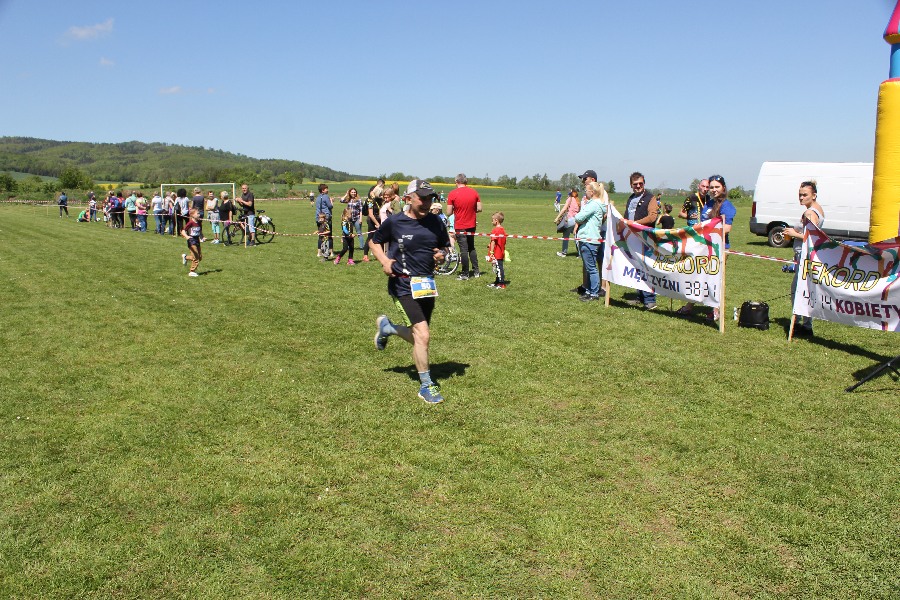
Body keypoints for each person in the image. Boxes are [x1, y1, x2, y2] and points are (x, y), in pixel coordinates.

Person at [371, 179, 450, 404]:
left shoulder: (436, 221)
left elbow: (444, 247)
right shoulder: (395, 222)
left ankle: (388, 328)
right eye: (422, 198)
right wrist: (385, 261)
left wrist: (442, 255)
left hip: (426, 285)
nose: (426, 202)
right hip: (402, 284)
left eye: (430, 198)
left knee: (419, 336)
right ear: (408, 198)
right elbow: (374, 242)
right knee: (423, 335)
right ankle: (426, 385)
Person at [677, 174, 737, 319]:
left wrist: (707, 232)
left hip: (718, 248)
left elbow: (727, 228)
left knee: (714, 279)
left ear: (723, 188)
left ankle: (715, 310)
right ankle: (689, 306)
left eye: (717, 187)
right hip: (702, 247)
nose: (714, 190)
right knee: (697, 276)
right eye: (711, 187)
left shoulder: (727, 206)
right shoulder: (709, 204)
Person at [782, 181, 825, 336]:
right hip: (806, 255)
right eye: (799, 194)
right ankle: (805, 324)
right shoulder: (816, 209)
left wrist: (793, 234)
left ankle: (801, 324)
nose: (801, 197)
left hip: (805, 255)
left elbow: (811, 236)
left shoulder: (809, 213)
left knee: (797, 290)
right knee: (805, 290)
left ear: (814, 195)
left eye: (804, 195)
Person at [624, 172, 659, 309]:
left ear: (644, 183)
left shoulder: (650, 198)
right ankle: (640, 296)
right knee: (637, 267)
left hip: (646, 238)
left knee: (646, 268)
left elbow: (652, 217)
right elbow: (627, 216)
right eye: (635, 184)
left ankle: (650, 299)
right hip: (632, 238)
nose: (638, 186)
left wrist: (635, 224)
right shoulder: (631, 198)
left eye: (640, 183)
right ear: (631, 185)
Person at [575, 181, 609, 302]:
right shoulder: (598, 204)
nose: (585, 192)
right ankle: (589, 290)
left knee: (591, 268)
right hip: (592, 238)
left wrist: (582, 218)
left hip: (589, 238)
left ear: (592, 192)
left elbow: (578, 217)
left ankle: (594, 293)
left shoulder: (593, 205)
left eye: (586, 190)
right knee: (591, 267)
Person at [447, 173, 482, 280]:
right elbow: (479, 208)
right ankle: (476, 271)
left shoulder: (453, 194)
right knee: (471, 247)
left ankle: (465, 273)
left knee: (463, 249)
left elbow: (448, 212)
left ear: (456, 181)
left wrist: (456, 210)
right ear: (466, 181)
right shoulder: (474, 192)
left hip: (460, 224)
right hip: (471, 223)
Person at [555, 189, 580, 257]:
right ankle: (580, 254)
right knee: (576, 237)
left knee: (565, 236)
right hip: (576, 220)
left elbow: (564, 209)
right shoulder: (578, 200)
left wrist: (557, 218)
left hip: (570, 220)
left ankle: (564, 252)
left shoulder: (570, 199)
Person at [487, 212, 508, 289]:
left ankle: (501, 283)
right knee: (497, 267)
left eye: (492, 220)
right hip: (501, 251)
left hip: (497, 253)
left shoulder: (495, 230)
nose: (491, 221)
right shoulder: (502, 230)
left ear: (496, 220)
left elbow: (493, 241)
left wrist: (491, 252)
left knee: (499, 268)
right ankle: (497, 281)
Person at [180, 208, 203, 277]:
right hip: (191, 240)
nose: (199, 215)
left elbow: (200, 231)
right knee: (196, 257)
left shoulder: (199, 222)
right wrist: (187, 236)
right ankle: (192, 271)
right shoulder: (190, 223)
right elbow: (183, 231)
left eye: (199, 213)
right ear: (192, 215)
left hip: (197, 240)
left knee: (200, 257)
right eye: (197, 213)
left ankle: (185, 257)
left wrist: (202, 237)